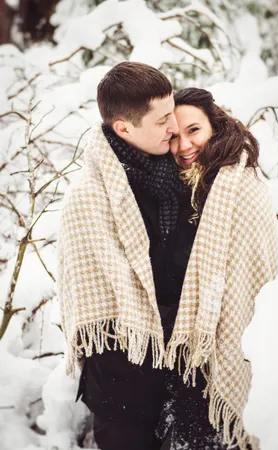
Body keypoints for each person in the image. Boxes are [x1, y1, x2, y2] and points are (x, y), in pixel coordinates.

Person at [57, 62, 200, 450]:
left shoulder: (182, 170)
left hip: (186, 371)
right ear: (124, 128)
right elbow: (99, 306)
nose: (174, 126)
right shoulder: (88, 201)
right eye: (162, 120)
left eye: (173, 111)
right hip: (124, 389)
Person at [154, 88, 278, 450]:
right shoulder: (177, 189)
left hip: (221, 344)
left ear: (215, 125)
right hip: (178, 343)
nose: (183, 147)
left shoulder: (239, 188)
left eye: (194, 130)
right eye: (174, 136)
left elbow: (255, 274)